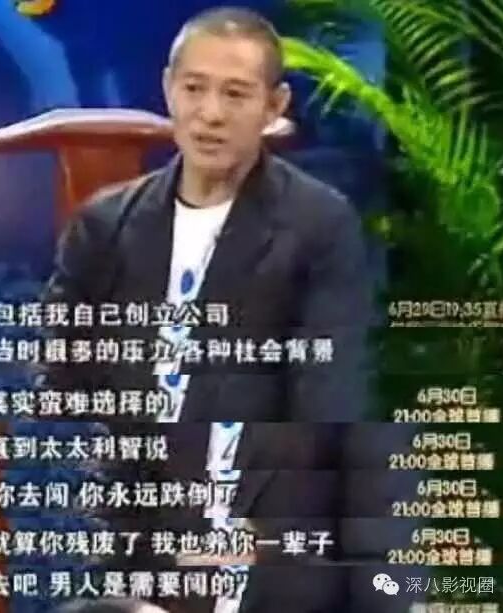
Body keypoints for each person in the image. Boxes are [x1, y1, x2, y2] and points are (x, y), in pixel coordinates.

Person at [40, 6, 395, 613]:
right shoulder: (104, 224)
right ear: (168, 90)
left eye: (235, 94)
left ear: (275, 105)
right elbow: (61, 376)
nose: (210, 114)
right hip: (133, 518)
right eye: (194, 88)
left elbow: (327, 398)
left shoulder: (320, 223)